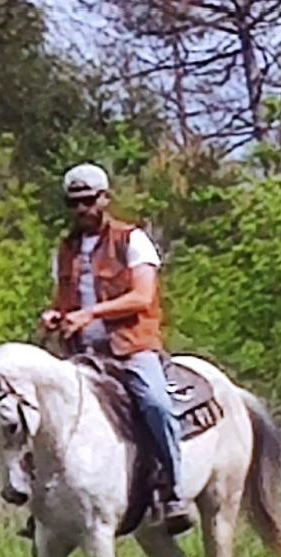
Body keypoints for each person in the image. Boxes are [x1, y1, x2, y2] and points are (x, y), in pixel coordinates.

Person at [38, 162, 193, 535]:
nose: (81, 209)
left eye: (88, 201)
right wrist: (55, 316)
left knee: (155, 402)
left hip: (131, 346)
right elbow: (65, 301)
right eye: (73, 202)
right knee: (41, 411)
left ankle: (175, 489)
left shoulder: (132, 240)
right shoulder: (65, 249)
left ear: (105, 199)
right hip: (82, 353)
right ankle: (41, 499)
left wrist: (90, 313)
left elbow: (142, 296)